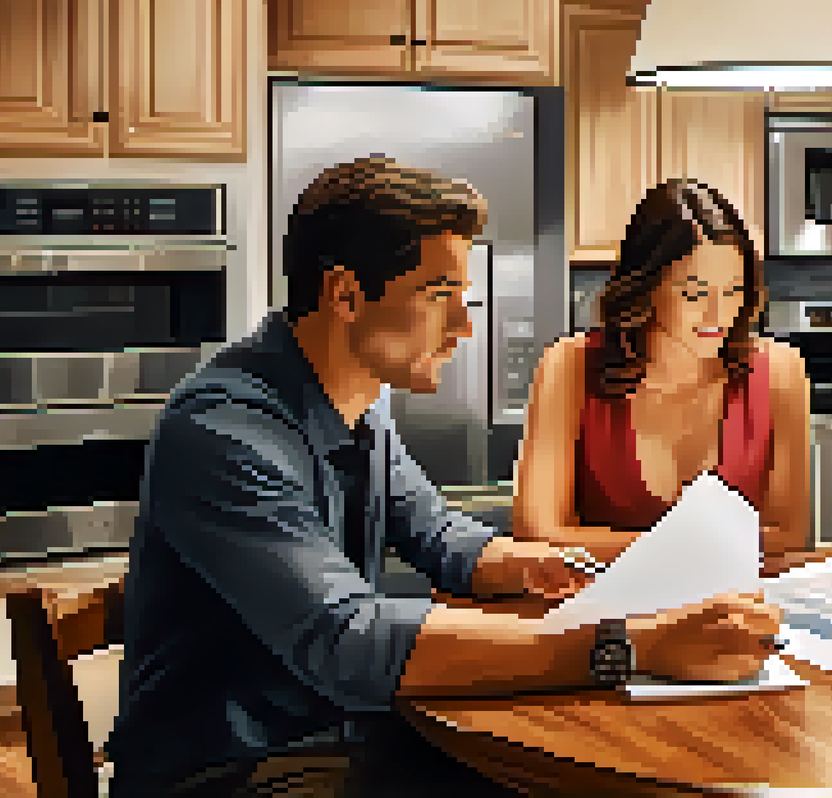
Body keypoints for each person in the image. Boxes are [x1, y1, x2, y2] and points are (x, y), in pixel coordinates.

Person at [105, 157, 781, 798]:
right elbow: (349, 640)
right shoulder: (227, 429)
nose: (463, 324)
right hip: (234, 770)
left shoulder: (359, 399)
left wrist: (533, 565)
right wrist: (628, 646)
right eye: (439, 295)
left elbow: (436, 533)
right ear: (345, 293)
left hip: (343, 733)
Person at [511, 178, 812, 564]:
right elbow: (538, 534)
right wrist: (702, 551)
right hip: (605, 612)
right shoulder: (569, 366)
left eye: (734, 291)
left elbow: (786, 537)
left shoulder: (781, 372)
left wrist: (631, 548)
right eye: (695, 293)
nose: (718, 315)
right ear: (647, 286)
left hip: (733, 611)